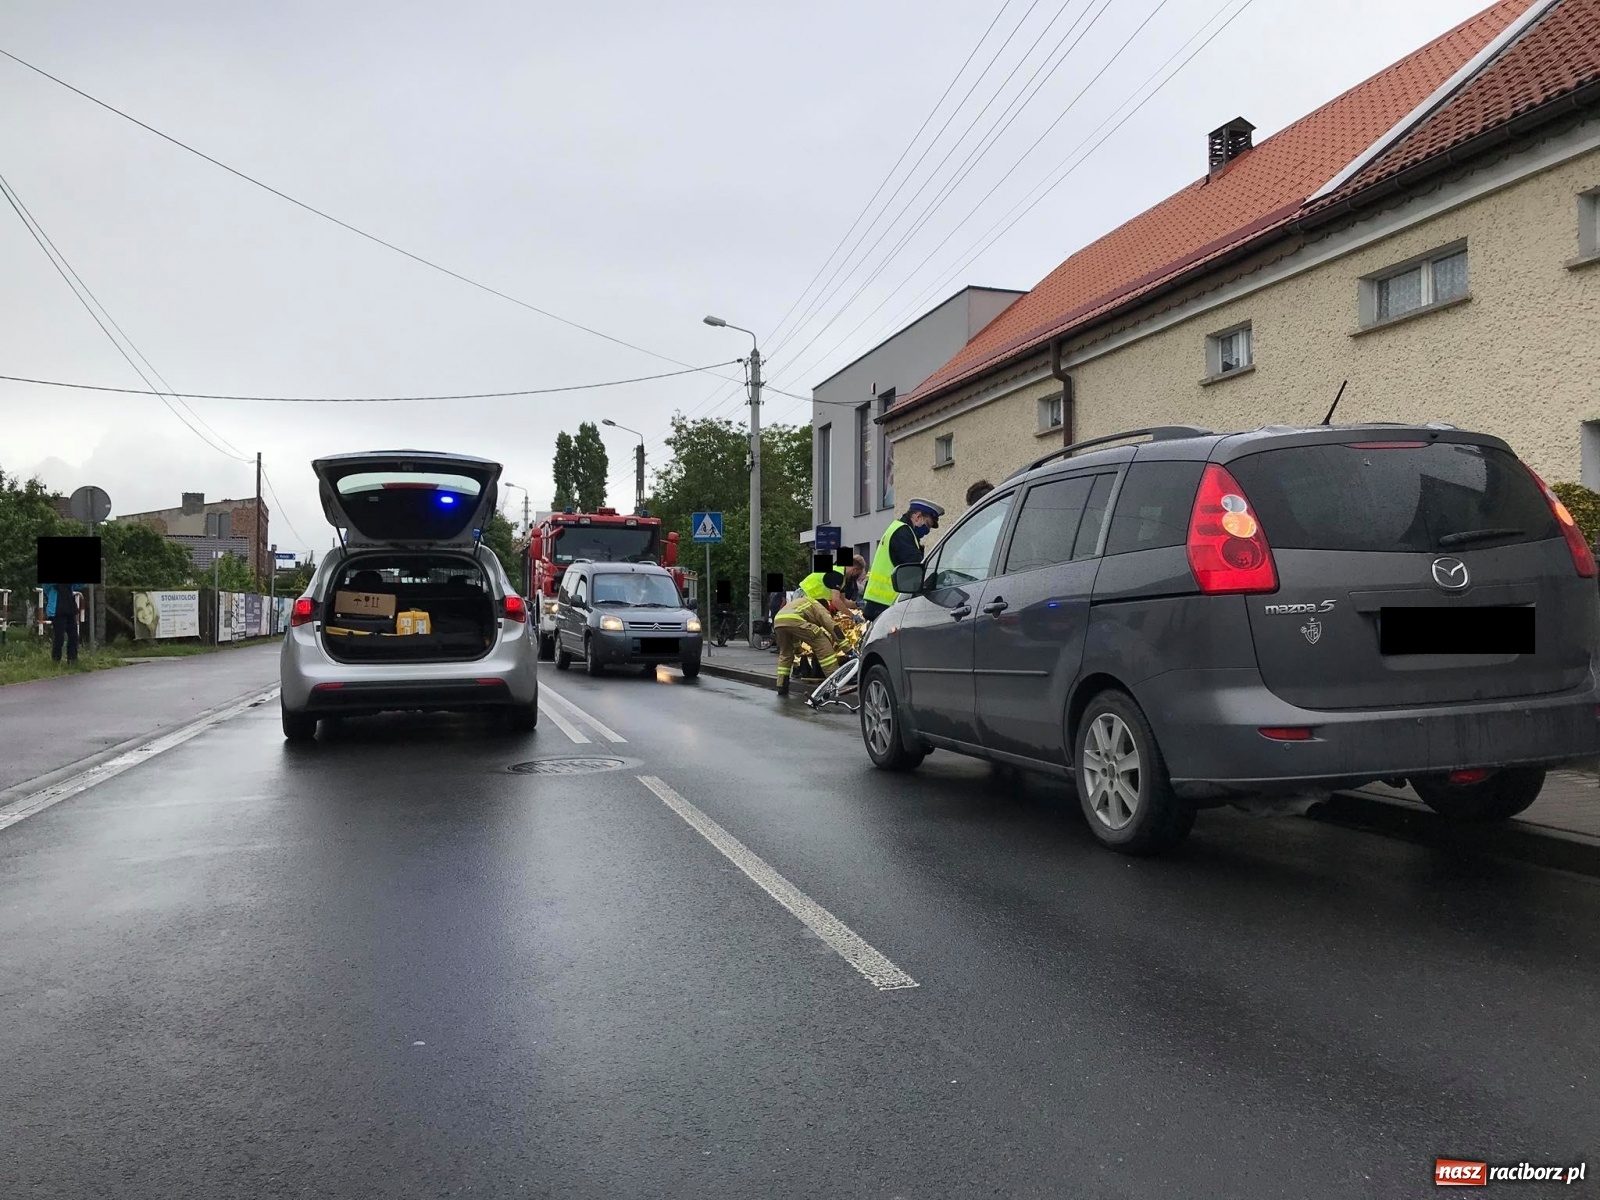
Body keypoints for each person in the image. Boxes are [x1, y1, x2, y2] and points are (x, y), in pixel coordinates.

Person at [862, 498, 945, 620]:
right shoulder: (903, 533)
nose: (927, 531)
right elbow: (916, 568)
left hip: (879, 602)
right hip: (887, 604)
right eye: (927, 525)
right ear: (917, 517)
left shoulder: (897, 528)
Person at [772, 592, 840, 697]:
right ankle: (834, 681)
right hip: (794, 620)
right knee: (822, 642)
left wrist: (798, 649)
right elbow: (832, 626)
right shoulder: (819, 607)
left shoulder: (801, 603)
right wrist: (848, 649)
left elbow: (794, 635)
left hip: (778, 621)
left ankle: (782, 686)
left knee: (785, 653)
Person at [43, 581, 83, 664]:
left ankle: (72, 659)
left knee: (73, 635)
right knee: (59, 637)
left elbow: (78, 585)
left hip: (69, 608)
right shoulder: (52, 586)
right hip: (57, 610)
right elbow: (46, 586)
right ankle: (56, 659)